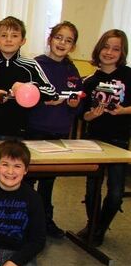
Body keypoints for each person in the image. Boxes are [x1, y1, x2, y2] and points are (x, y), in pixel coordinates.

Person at [27, 21, 83, 239]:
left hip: (59, 132)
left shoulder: (72, 70)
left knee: (49, 181)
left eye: (68, 40)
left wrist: (73, 104)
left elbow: (78, 102)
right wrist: (40, 102)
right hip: (36, 129)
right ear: (50, 40)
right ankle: (27, 220)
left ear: (73, 46)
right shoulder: (36, 65)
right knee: (29, 178)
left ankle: (46, 221)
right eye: (59, 37)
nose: (62, 43)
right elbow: (26, 97)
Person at [79, 29, 131, 246]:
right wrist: (91, 115)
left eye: (116, 49)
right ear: (99, 48)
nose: (109, 52)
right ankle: (92, 225)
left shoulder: (129, 75)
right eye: (106, 47)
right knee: (92, 188)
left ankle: (100, 227)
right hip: (94, 141)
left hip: (119, 140)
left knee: (116, 192)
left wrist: (123, 111)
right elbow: (83, 114)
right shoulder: (90, 80)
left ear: (122, 53)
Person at [0, 16, 57, 140]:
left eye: (14, 36)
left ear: (23, 41)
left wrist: (26, 87)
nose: (9, 40)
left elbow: (51, 92)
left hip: (20, 131)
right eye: (4, 35)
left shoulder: (31, 65)